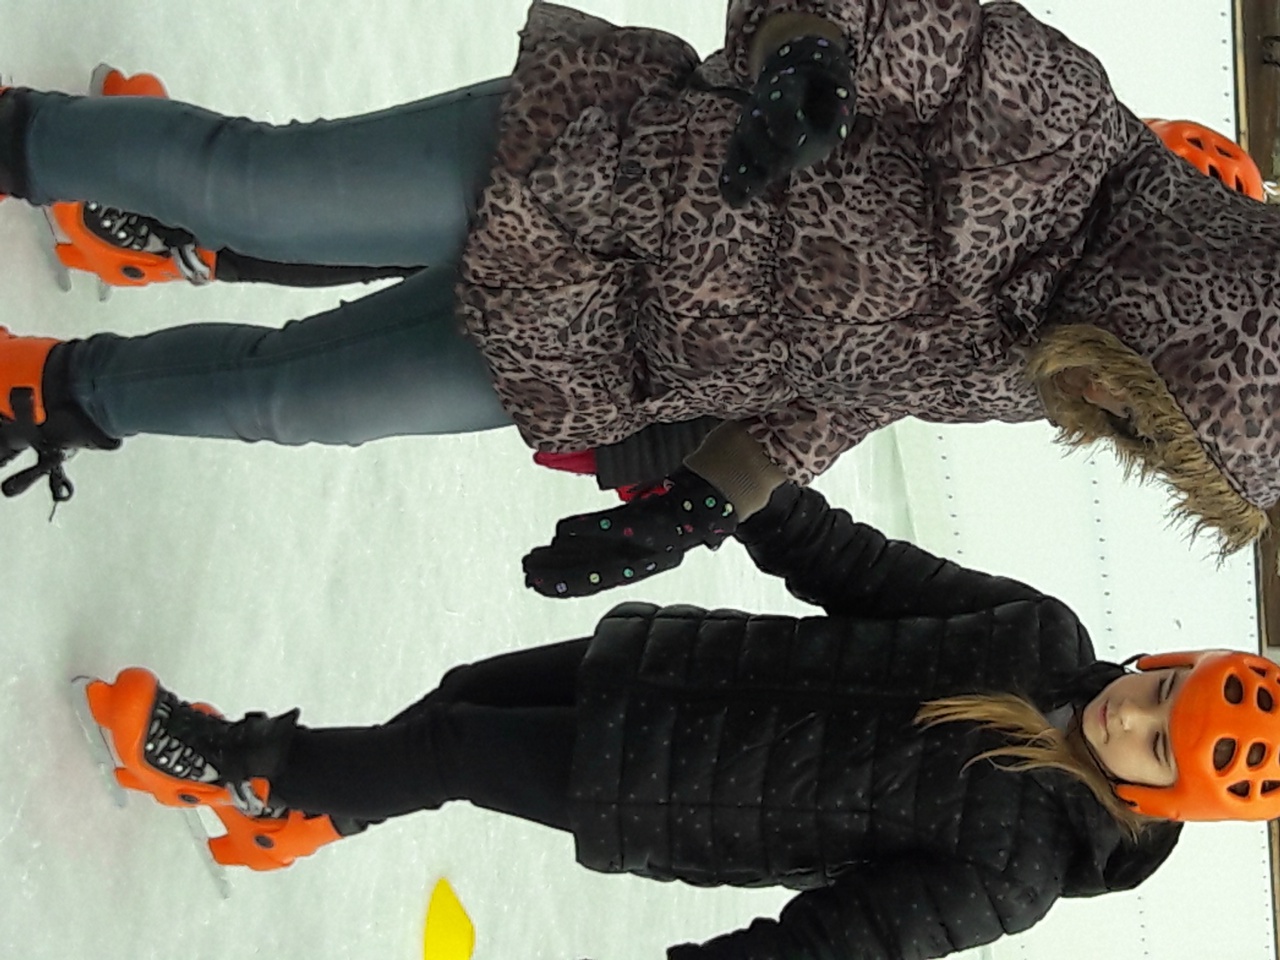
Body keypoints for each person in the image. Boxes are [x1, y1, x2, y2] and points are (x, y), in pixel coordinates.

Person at [3, 0, 1279, 596]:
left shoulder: (1045, 372)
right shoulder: (1058, 124)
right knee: (255, 195)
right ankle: (27, 141)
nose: (1113, 409)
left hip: (591, 349)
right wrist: (802, 60)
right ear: (1186, 299)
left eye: (1144, 433)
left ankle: (61, 391)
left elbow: (843, 398)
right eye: (1149, 395)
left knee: (294, 402)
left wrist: (703, 501)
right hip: (581, 163)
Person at [81, 481, 1280, 959]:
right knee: (457, 699)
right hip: (668, 663)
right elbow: (859, 569)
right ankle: (310, 811)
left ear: (1161, 794)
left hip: (653, 794)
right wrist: (743, 487)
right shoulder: (1037, 638)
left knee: (447, 750)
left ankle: (240, 767)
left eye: (1154, 743)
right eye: (1160, 691)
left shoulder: (1013, 870)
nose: (1130, 713)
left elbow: (837, 946)